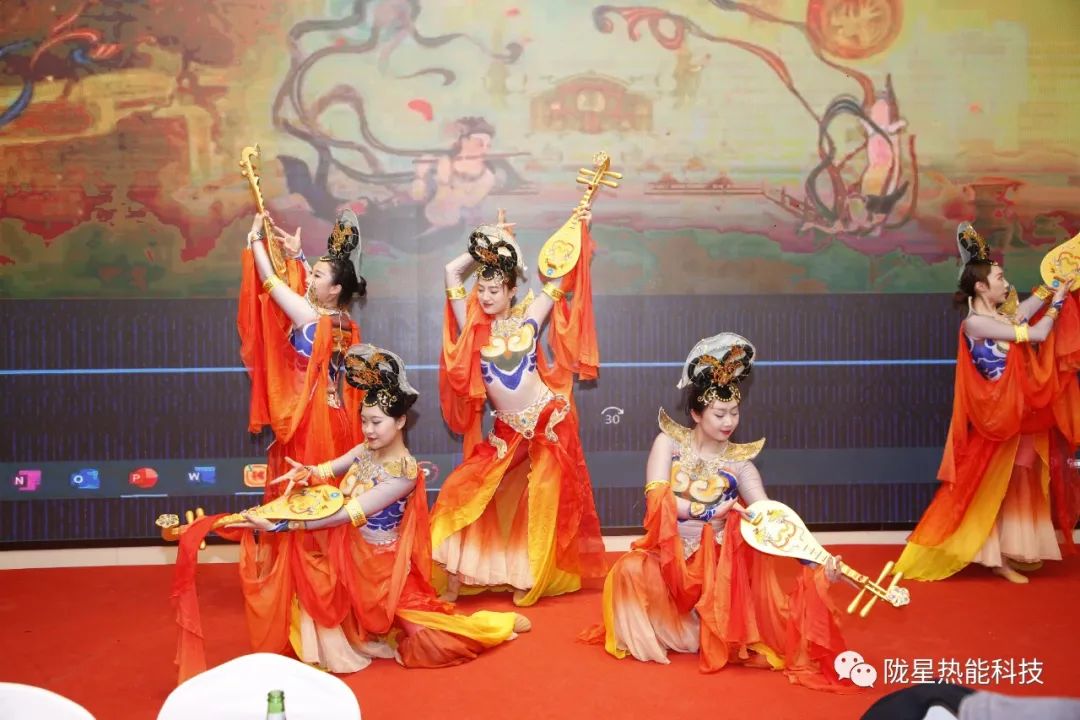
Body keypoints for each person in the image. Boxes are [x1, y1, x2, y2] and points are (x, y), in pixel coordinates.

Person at [171, 345, 528, 682]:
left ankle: (493, 628)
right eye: (364, 421)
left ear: (400, 421)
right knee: (309, 568)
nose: (368, 430)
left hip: (381, 566)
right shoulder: (365, 450)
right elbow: (325, 470)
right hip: (347, 550)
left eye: (377, 422)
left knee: (430, 641)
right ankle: (331, 649)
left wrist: (283, 525)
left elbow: (345, 513)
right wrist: (306, 472)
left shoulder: (403, 472)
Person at [582, 333, 852, 691]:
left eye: (734, 413)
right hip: (669, 558)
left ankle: (701, 630)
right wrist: (706, 511)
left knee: (733, 611)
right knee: (627, 570)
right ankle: (674, 632)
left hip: (717, 569)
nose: (729, 422)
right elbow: (657, 500)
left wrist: (817, 558)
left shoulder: (740, 465)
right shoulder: (668, 443)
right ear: (696, 413)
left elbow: (770, 518)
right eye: (720, 413)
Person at [430, 208, 606, 606]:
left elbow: (559, 274)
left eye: (495, 290)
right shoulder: (474, 327)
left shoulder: (529, 318)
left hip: (547, 424)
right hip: (507, 431)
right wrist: (489, 245)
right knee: (470, 494)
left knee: (539, 503)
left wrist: (578, 226)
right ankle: (455, 581)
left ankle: (530, 576)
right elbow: (451, 272)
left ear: (512, 290)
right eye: (482, 289)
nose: (486, 296)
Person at [895, 222, 1080, 582]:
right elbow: (1037, 332)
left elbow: (1027, 310)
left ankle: (1011, 548)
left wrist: (1055, 283)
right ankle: (993, 557)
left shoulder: (1000, 315)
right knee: (989, 485)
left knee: (1018, 477)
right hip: (997, 419)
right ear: (980, 286)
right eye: (999, 277)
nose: (1006, 283)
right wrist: (1058, 303)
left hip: (1018, 413)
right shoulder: (976, 324)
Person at [239, 209, 366, 501]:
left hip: (307, 421)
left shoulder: (308, 315)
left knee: (301, 498)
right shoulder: (343, 320)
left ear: (335, 288)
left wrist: (255, 236)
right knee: (326, 495)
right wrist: (297, 256)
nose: (308, 278)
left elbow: (269, 279)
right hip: (334, 418)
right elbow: (317, 288)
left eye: (317, 275)